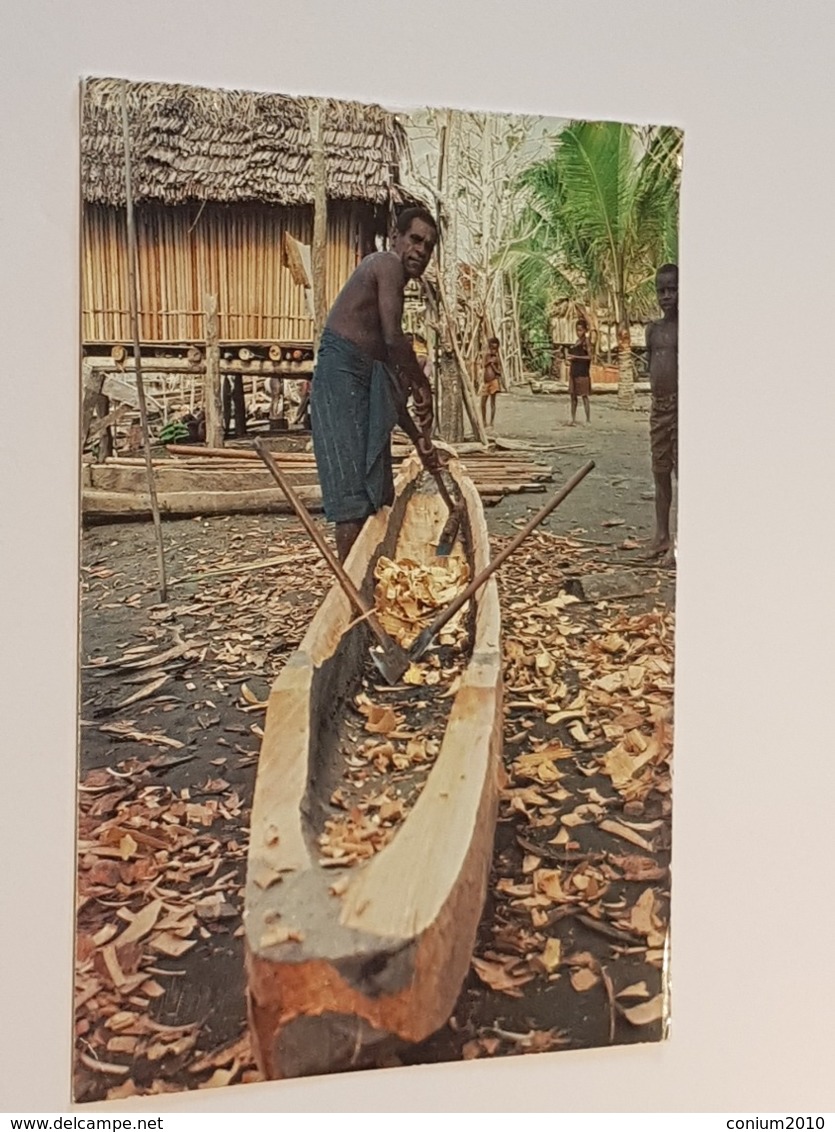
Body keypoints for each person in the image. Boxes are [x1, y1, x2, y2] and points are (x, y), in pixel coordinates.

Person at [310, 207, 443, 562]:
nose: (420, 251)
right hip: (340, 375)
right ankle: (355, 598)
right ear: (395, 238)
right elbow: (393, 337)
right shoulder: (386, 264)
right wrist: (423, 385)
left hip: (362, 377)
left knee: (377, 490)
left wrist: (420, 440)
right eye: (415, 239)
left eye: (428, 246)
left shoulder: (392, 289)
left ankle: (372, 576)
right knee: (352, 497)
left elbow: (390, 395)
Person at [644, 263, 679, 563]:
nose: (667, 296)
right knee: (660, 472)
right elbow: (651, 367)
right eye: (662, 290)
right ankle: (661, 535)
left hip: (682, 409)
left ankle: (679, 540)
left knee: (683, 473)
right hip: (659, 408)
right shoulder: (653, 330)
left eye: (673, 289)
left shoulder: (686, 329)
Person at [567, 319, 592, 424]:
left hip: (583, 373)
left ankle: (588, 419)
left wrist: (575, 357)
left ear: (585, 330)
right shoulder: (577, 342)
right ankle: (573, 418)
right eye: (577, 330)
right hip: (574, 371)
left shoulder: (586, 342)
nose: (578, 333)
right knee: (573, 396)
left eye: (580, 330)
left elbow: (590, 357)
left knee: (584, 396)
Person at [481, 337, 501, 428]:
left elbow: (499, 372)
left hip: (494, 382)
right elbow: (484, 365)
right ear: (489, 348)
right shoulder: (487, 357)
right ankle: (484, 421)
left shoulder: (497, 359)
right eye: (492, 348)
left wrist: (494, 366)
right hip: (486, 382)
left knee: (493, 402)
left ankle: (491, 422)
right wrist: (489, 362)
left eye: (495, 349)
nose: (493, 351)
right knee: (483, 403)